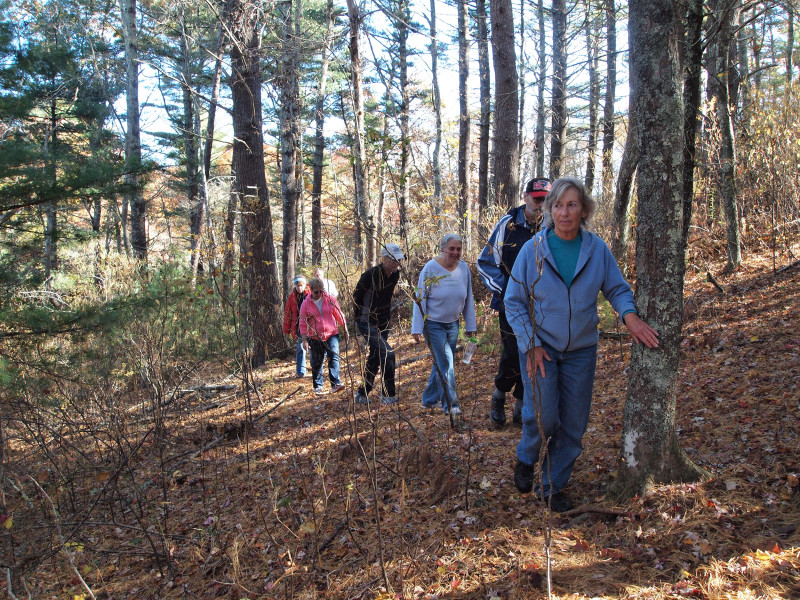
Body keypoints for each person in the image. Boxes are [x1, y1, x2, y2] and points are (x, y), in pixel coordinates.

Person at [504, 177, 659, 512]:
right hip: (540, 348)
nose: (564, 212)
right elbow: (513, 301)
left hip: (581, 352)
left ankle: (552, 487)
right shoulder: (533, 251)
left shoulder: (597, 249)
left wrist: (629, 316)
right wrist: (530, 344)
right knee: (542, 418)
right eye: (557, 205)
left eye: (571, 204)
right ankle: (526, 457)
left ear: (584, 209)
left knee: (573, 424)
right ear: (548, 210)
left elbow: (617, 289)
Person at [478, 177, 552, 426]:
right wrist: (510, 290)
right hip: (510, 304)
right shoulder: (508, 224)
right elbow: (485, 263)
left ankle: (521, 407)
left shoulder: (552, 228)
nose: (541, 204)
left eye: (546, 199)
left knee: (535, 351)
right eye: (537, 198)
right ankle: (499, 396)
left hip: (542, 305)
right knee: (513, 352)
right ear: (525, 197)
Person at [411, 234, 477, 416]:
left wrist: (471, 325)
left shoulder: (464, 268)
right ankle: (451, 404)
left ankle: (430, 399)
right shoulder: (430, 268)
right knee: (447, 362)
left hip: (453, 324)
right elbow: (420, 298)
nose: (455, 253)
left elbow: (468, 297)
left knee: (441, 363)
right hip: (433, 325)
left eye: (458, 249)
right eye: (452, 249)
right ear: (443, 249)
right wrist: (416, 327)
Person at [352, 243, 404, 405]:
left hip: (384, 322)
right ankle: (388, 395)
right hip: (367, 321)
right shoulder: (370, 275)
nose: (396, 262)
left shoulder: (396, 275)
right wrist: (360, 319)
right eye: (393, 259)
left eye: (398, 259)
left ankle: (362, 393)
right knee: (388, 353)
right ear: (385, 259)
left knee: (375, 356)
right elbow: (356, 297)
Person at [299, 277, 350, 395]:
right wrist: (305, 340)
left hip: (332, 333)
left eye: (321, 291)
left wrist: (345, 329)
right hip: (315, 336)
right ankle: (318, 386)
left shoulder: (329, 299)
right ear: (311, 290)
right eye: (316, 292)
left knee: (334, 357)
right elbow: (302, 322)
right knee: (317, 361)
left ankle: (335, 383)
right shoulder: (306, 304)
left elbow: (338, 313)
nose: (319, 294)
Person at [283, 275, 310, 378]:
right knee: (300, 348)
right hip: (298, 326)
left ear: (305, 285)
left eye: (301, 285)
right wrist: (287, 328)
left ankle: (316, 368)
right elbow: (287, 313)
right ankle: (300, 372)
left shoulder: (310, 295)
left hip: (311, 325)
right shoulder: (292, 297)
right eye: (297, 285)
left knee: (314, 348)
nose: (299, 288)